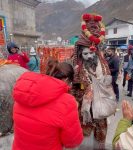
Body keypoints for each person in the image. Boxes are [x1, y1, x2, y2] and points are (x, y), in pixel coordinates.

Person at [12, 59, 83, 150]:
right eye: (70, 83)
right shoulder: (66, 102)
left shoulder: (23, 93)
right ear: (66, 79)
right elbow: (72, 141)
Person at [72, 13, 116, 149]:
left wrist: (104, 84)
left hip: (101, 108)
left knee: (100, 137)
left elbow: (109, 85)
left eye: (92, 53)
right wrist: (85, 89)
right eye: (86, 54)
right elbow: (74, 88)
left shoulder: (103, 66)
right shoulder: (76, 68)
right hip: (85, 110)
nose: (89, 56)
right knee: (84, 137)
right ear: (80, 54)